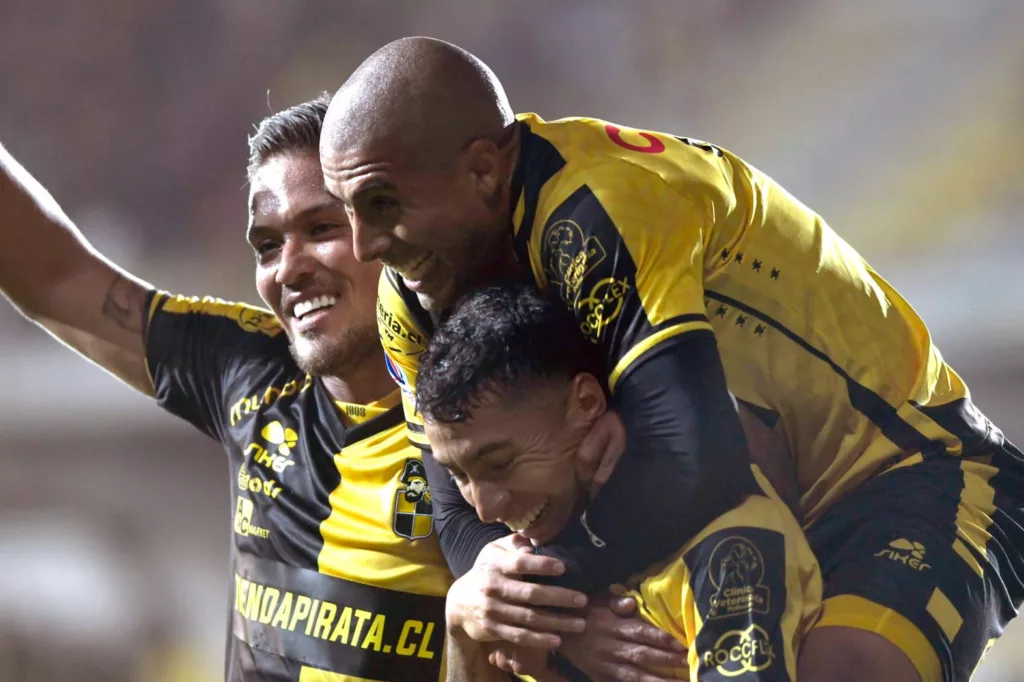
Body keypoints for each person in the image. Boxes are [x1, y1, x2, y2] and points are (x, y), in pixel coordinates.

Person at [319, 36, 1024, 682]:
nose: (366, 244)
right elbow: (457, 515)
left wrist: (561, 598)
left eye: (381, 203)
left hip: (910, 476)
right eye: (345, 210)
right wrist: (533, 602)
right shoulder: (412, 298)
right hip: (715, 514)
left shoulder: (596, 210)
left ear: (480, 169)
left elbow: (692, 459)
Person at [0, 94, 704, 682]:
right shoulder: (241, 364)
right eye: (268, 245)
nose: (290, 268)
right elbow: (55, 277)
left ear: (391, 231)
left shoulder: (498, 429)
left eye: (320, 229)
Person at [416, 281, 822, 681]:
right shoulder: (501, 586)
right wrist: (458, 624)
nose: (485, 509)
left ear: (587, 404)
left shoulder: (731, 546)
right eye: (459, 476)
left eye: (501, 463)